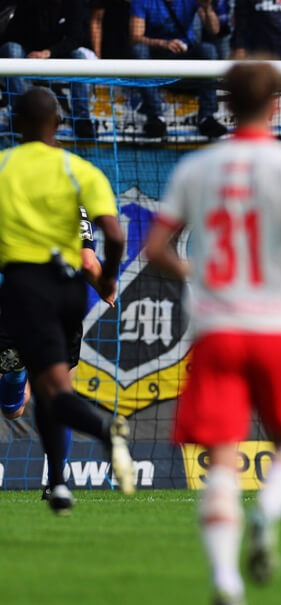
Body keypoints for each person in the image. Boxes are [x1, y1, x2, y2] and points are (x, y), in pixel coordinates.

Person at [143, 61, 281, 605]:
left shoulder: (197, 169)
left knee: (222, 459)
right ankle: (267, 515)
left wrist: (198, 274)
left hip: (218, 328)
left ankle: (225, 581)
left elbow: (156, 249)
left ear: (226, 104)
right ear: (277, 103)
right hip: (279, 329)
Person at [0, 87, 133, 515]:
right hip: (70, 291)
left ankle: (103, 429)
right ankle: (58, 482)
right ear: (59, 123)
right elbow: (111, 237)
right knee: (51, 387)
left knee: (40, 392)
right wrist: (108, 280)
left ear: (15, 124)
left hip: (23, 287)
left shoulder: (3, 168)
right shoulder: (80, 172)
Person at [129, 0, 227, 138]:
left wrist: (208, 8)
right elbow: (135, 37)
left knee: (208, 49)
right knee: (139, 50)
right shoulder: (143, 2)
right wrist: (163, 44)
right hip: (155, 58)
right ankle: (156, 117)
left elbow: (214, 30)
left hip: (184, 54)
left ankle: (207, 116)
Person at [0, 0, 96, 139]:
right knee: (11, 49)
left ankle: (82, 120)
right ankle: (20, 117)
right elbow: (13, 34)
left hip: (56, 52)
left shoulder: (74, 4)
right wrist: (36, 51)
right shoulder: (28, 4)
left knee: (79, 57)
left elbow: (76, 38)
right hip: (28, 49)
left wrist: (49, 52)